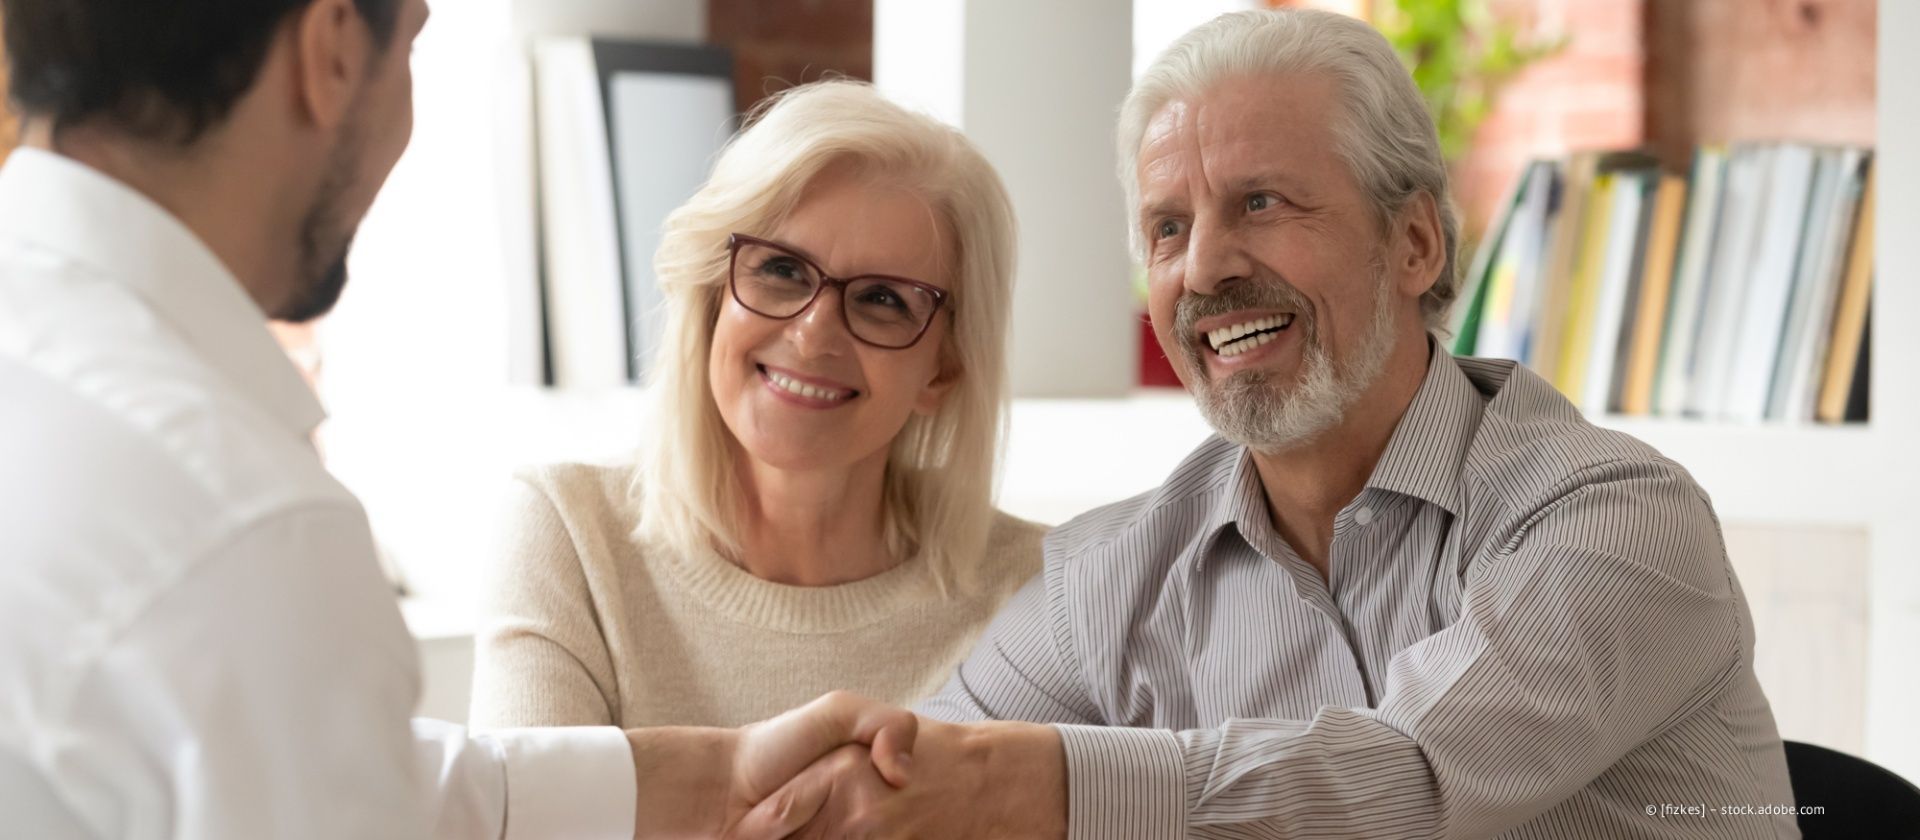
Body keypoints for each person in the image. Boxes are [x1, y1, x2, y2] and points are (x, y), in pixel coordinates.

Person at [743, 9, 1800, 839]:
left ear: (1415, 245)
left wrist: (1035, 785)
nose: (1204, 268)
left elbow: (1409, 781)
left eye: (1261, 203)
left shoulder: (1616, 520)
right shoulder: (1107, 580)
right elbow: (911, 779)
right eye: (1168, 228)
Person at [0, 1, 915, 837]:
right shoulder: (243, 528)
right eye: (414, 45)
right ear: (330, 51)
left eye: (883, 299)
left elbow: (349, 784)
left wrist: (713, 779)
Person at [468, 80, 1046, 731]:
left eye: (883, 299)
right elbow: (528, 796)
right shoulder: (571, 537)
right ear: (712, 294)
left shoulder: (1041, 592)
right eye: (781, 270)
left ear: (944, 368)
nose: (813, 335)